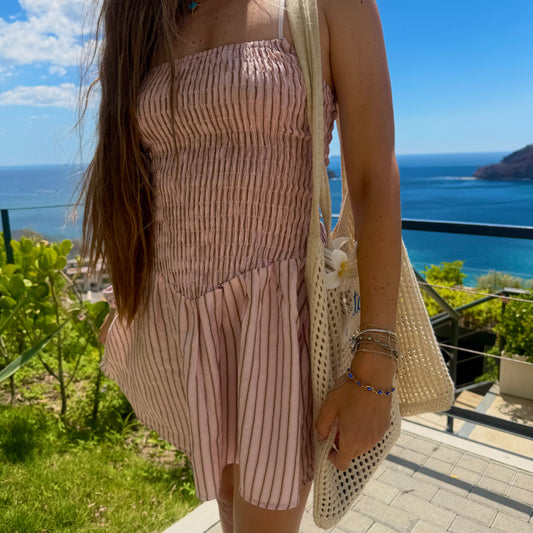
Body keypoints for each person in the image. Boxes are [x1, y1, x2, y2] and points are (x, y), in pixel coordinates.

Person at [77, 0, 401, 531]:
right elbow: (139, 183)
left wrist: (375, 367)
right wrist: (130, 299)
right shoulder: (155, 16)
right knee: (228, 498)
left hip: (277, 324)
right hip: (180, 317)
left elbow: (373, 179)